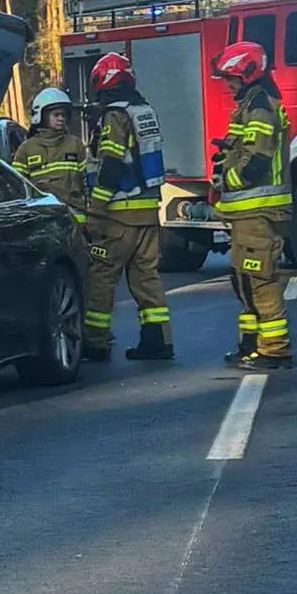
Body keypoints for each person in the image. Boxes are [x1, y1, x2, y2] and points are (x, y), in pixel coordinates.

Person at [81, 52, 174, 362]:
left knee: (103, 276)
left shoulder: (115, 116)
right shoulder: (144, 111)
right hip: (148, 209)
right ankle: (158, 340)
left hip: (119, 214)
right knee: (146, 277)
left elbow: (111, 164)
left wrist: (95, 209)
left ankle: (95, 342)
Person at [209, 41, 294, 370]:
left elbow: (256, 159)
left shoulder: (260, 106)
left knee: (260, 279)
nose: (227, 84)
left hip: (260, 210)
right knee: (243, 279)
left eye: (230, 78)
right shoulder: (249, 103)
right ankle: (251, 345)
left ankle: (275, 349)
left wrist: (226, 180)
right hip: (248, 211)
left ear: (247, 73)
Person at [10, 87, 89, 223]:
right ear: (41, 115)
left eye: (64, 115)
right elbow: (16, 187)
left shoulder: (75, 145)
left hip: (76, 218)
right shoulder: (26, 149)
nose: (61, 119)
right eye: (56, 115)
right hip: (42, 219)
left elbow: (87, 182)